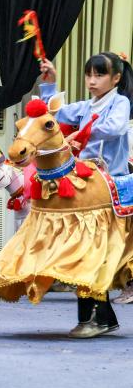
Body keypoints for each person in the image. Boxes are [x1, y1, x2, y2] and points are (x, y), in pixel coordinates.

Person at [39, 54, 131, 332]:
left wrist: (82, 133)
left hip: (111, 185)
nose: (92, 81)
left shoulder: (120, 103)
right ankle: (103, 318)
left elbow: (115, 128)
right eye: (89, 74)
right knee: (87, 252)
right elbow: (54, 113)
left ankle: (94, 319)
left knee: (90, 253)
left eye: (99, 75)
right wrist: (50, 84)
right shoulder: (86, 106)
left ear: (116, 78)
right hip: (88, 182)